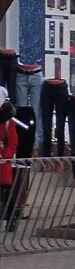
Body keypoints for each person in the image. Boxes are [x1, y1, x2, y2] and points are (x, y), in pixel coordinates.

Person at [0, 98, 18, 232]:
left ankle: (11, 219)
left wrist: (5, 156)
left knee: (7, 193)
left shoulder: (8, 123)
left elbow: (12, 143)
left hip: (3, 163)